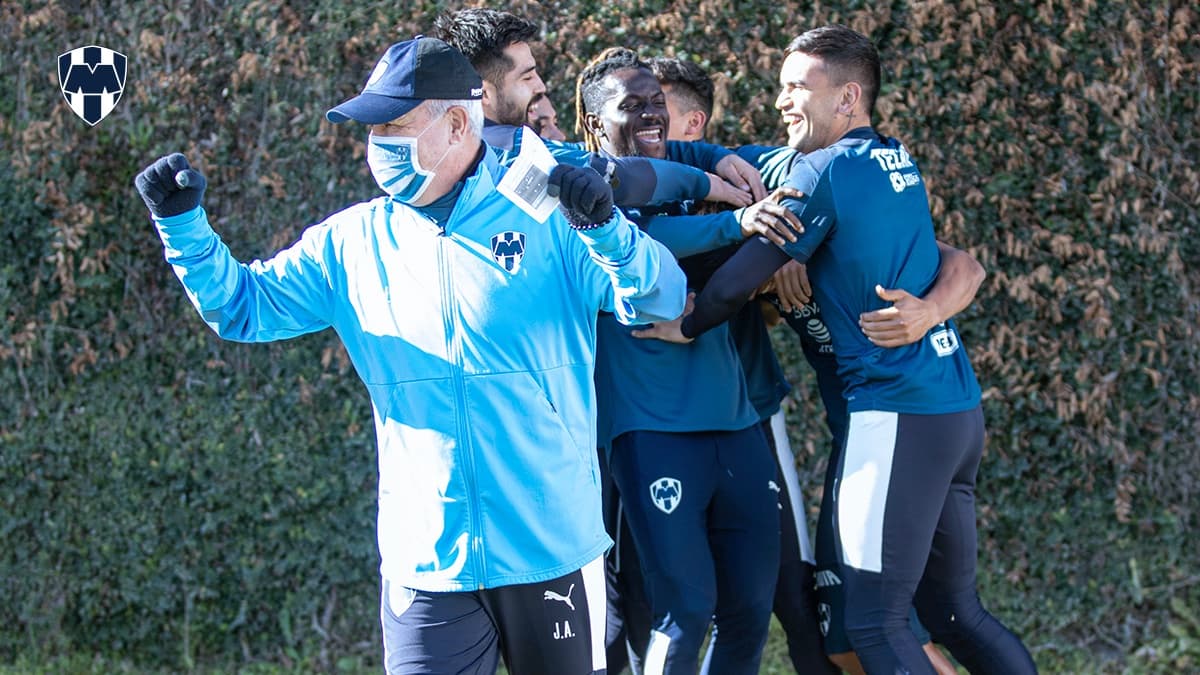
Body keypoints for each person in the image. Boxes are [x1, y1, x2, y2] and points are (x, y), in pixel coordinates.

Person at [134, 36, 688, 675]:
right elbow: (243, 308)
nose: (378, 143)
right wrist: (184, 228)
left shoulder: (552, 214)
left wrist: (610, 233)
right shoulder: (350, 240)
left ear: (456, 124)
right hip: (428, 562)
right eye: (373, 129)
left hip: (552, 552)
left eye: (393, 126)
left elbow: (662, 299)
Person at [640, 26, 1037, 675]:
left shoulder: (817, 170)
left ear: (847, 97)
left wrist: (689, 323)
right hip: (951, 410)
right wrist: (799, 251)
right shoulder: (890, 158)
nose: (781, 101)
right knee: (953, 611)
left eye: (797, 87)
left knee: (871, 624)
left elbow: (739, 278)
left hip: (892, 410)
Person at [579, 47, 799, 675]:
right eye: (632, 105)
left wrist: (720, 161)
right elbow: (642, 241)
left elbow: (763, 168)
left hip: (734, 420)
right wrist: (738, 223)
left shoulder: (692, 165)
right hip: (649, 428)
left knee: (750, 610)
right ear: (595, 123)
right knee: (685, 610)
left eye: (657, 102)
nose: (651, 114)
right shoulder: (583, 189)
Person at [431, 7, 768, 209]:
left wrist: (713, 156)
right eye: (527, 76)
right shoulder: (503, 150)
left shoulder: (440, 144)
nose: (540, 86)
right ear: (483, 93)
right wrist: (709, 185)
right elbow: (618, 177)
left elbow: (583, 154)